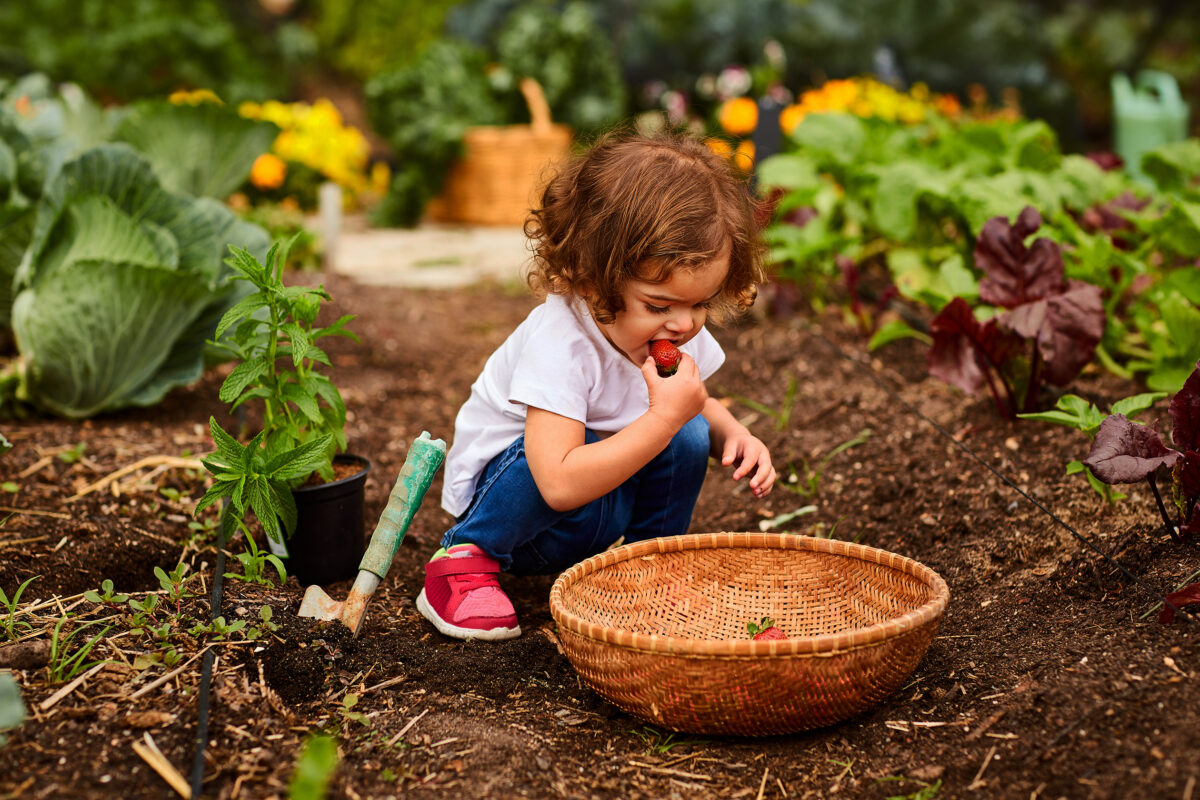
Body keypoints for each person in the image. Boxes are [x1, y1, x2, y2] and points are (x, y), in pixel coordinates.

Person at [417, 129, 777, 641]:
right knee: (612, 435)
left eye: (700, 303)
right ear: (592, 280)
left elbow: (689, 405)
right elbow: (557, 482)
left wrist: (731, 431)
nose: (685, 325)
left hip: (599, 504)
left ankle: (648, 568)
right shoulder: (560, 343)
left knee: (692, 431)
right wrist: (666, 418)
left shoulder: (671, 329)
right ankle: (463, 563)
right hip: (525, 521)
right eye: (659, 306)